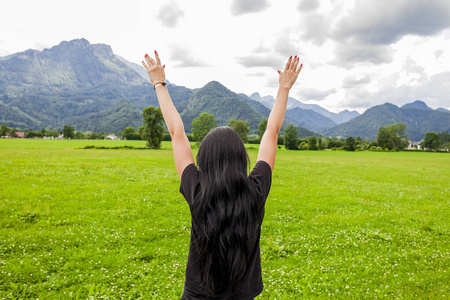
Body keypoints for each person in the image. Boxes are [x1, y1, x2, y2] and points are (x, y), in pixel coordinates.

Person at [142, 51, 302, 299]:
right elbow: (272, 132)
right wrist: (284, 88)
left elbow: (176, 133)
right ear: (241, 158)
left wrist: (158, 83)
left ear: (204, 160)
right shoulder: (256, 190)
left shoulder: (197, 191)